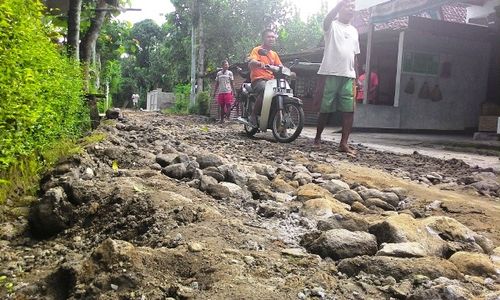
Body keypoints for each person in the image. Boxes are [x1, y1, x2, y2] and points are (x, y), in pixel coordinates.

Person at [314, 0, 359, 156]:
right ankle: (317, 138)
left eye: (353, 7)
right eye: (348, 6)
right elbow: (327, 19)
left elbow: (355, 55)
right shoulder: (331, 25)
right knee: (325, 109)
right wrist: (338, 4)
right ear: (340, 9)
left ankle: (343, 144)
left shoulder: (354, 30)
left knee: (349, 111)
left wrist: (357, 77)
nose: (351, 9)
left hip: (348, 76)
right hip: (330, 73)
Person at [247, 29, 283, 127]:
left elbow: (280, 66)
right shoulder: (257, 50)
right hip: (258, 80)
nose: (271, 39)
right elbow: (251, 61)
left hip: (271, 81)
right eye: (269, 36)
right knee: (265, 90)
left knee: (283, 92)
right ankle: (253, 116)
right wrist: (259, 63)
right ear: (263, 38)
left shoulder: (274, 54)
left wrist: (288, 71)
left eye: (273, 37)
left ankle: (279, 124)